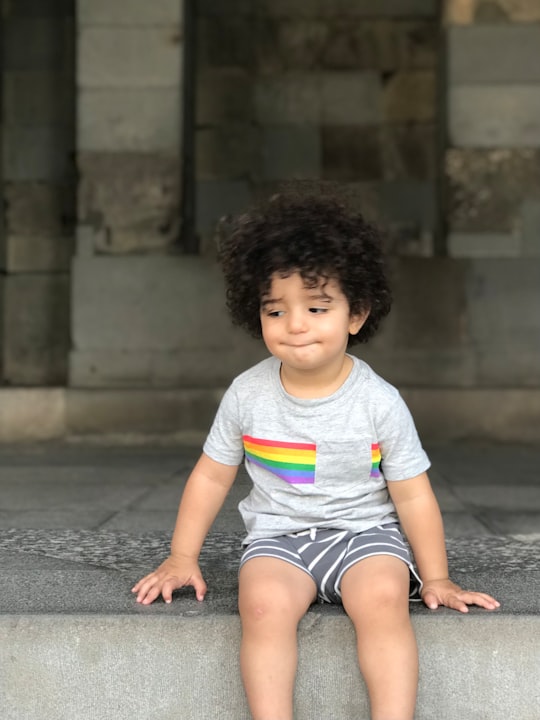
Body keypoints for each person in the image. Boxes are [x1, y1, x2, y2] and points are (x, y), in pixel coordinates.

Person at [132, 193, 499, 720]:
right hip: (278, 539)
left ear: (358, 314)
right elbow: (212, 477)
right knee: (260, 607)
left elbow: (412, 492)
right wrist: (181, 557)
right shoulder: (247, 394)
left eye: (317, 307)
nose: (295, 324)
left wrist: (436, 576)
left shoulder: (378, 400)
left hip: (365, 536)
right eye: (274, 310)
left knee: (382, 601)